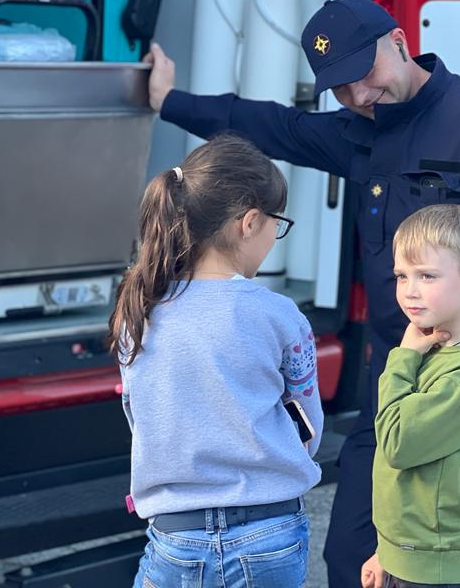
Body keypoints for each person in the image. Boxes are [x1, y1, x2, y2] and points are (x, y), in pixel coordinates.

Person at [145, 0, 460, 588]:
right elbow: (270, 125)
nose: (360, 95)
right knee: (352, 560)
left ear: (398, 40)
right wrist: (169, 101)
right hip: (397, 384)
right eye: (341, 87)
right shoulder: (357, 131)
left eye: (365, 73)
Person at [111, 134, 324, 588]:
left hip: (175, 534)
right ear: (250, 222)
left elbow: (140, 416)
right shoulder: (278, 314)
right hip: (269, 531)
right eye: (277, 223)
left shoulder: (138, 309)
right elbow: (307, 426)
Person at [360, 204, 460, 588]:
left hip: (440, 567)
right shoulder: (434, 349)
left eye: (427, 275)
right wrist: (388, 551)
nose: (410, 291)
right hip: (413, 556)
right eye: (401, 276)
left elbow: (397, 443)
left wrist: (402, 358)